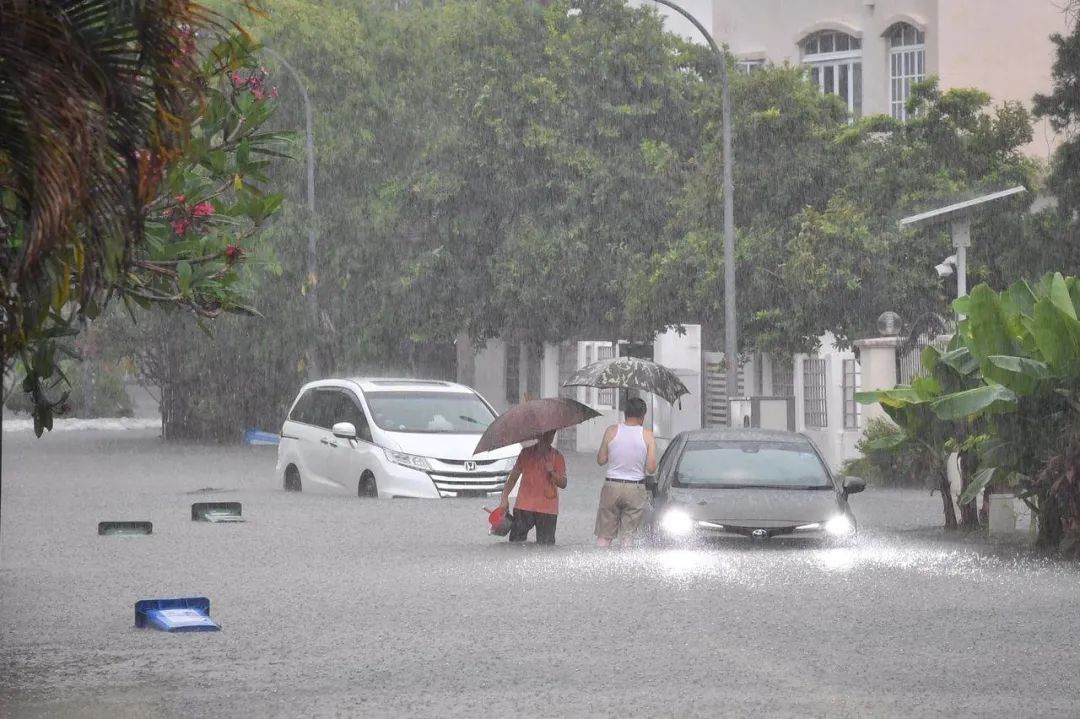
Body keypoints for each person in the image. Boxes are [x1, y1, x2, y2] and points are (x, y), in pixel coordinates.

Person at [594, 397, 657, 547]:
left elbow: (601, 460)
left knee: (604, 536)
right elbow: (651, 468)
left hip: (612, 486)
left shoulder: (611, 431)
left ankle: (599, 560)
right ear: (643, 416)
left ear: (625, 413)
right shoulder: (648, 435)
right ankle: (625, 560)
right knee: (627, 538)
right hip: (635, 488)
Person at [498, 429, 567, 545]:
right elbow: (513, 477)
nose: (548, 437)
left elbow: (563, 483)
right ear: (538, 435)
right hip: (524, 507)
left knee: (546, 547)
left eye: (551, 434)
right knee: (515, 544)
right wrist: (504, 497)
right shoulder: (525, 453)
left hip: (547, 509)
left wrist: (552, 472)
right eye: (545, 434)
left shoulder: (557, 457)